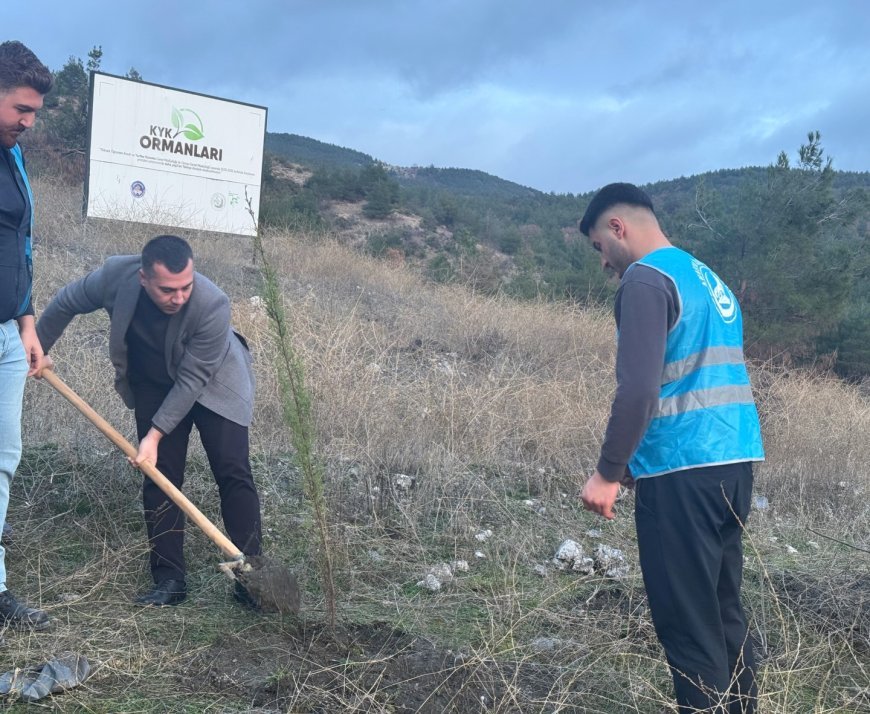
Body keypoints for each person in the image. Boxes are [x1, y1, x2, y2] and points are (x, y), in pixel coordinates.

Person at [578, 183, 764, 714]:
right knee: (723, 612)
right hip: (733, 464)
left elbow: (638, 388)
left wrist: (607, 471)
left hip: (682, 476)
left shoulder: (645, 278)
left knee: (688, 627)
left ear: (618, 227)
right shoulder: (706, 277)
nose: (603, 262)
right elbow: (695, 379)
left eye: (599, 247)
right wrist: (636, 459)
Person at [37, 235, 262, 608]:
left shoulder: (212, 303)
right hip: (154, 382)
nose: (179, 297)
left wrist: (154, 435)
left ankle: (252, 577)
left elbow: (192, 380)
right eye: (167, 290)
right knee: (159, 475)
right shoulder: (115, 276)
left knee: (232, 469)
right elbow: (66, 302)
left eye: (186, 286)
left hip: (215, 382)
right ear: (144, 278)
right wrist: (37, 348)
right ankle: (170, 579)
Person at [0, 40, 53, 630]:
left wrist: (27, 321)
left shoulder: (12, 157)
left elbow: (21, 245)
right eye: (21, 108)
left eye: (35, 112)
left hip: (8, 338)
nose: (29, 122)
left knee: (3, 460)